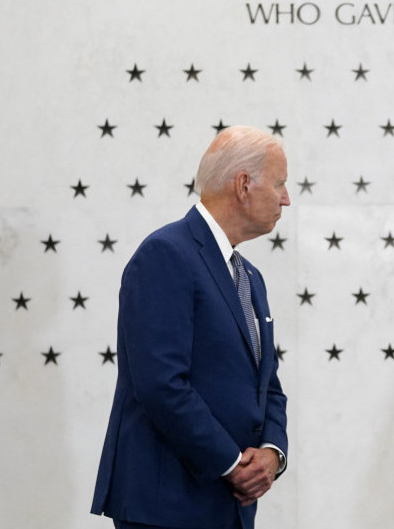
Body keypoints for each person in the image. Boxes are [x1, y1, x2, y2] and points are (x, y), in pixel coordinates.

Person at [92, 125, 291, 528]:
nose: (286, 199)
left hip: (228, 505)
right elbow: (161, 384)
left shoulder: (249, 276)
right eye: (280, 184)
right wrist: (232, 462)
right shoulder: (165, 255)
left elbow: (267, 384)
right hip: (168, 506)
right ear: (243, 185)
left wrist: (272, 453)